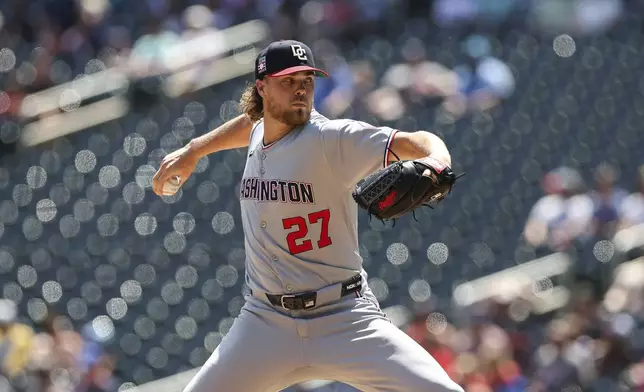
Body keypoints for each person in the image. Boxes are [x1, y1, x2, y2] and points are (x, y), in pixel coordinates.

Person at [152, 40, 463, 392]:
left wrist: (437, 161)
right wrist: (195, 149)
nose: (301, 89)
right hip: (266, 322)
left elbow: (416, 141)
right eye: (288, 81)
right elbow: (252, 124)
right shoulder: (261, 130)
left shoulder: (330, 138)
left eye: (308, 80)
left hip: (345, 318)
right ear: (262, 88)